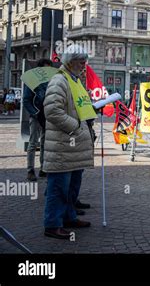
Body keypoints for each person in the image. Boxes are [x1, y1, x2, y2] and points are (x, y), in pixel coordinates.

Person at [42, 45, 96, 239]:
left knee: (72, 187)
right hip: (64, 145)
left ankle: (68, 217)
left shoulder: (75, 80)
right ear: (70, 61)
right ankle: (52, 224)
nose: (84, 65)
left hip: (75, 145)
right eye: (81, 62)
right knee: (58, 188)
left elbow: (80, 106)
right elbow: (52, 111)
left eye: (85, 61)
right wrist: (75, 126)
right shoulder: (59, 80)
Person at [23, 58, 53, 181]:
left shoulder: (52, 81)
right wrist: (35, 113)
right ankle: (30, 170)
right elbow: (26, 99)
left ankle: (43, 168)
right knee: (33, 143)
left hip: (48, 115)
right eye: (45, 68)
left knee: (45, 143)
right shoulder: (32, 80)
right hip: (36, 115)